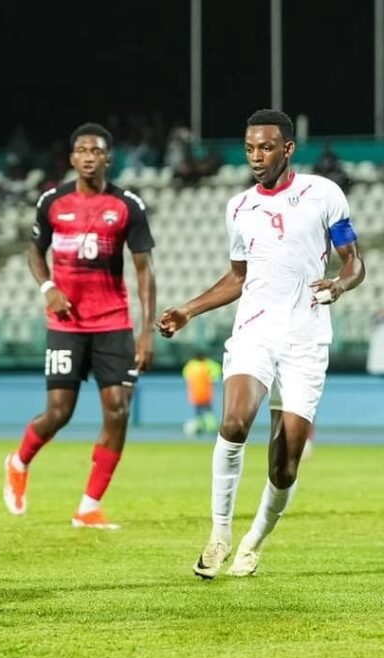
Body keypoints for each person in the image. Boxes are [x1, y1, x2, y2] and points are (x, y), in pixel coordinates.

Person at [158, 109, 365, 579]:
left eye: (266, 147)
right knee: (233, 421)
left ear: (287, 149)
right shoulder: (238, 207)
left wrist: (340, 285)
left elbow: (355, 263)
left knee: (284, 465)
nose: (256, 156)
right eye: (250, 148)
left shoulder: (323, 194)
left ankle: (253, 540)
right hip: (254, 329)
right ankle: (219, 535)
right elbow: (238, 278)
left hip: (306, 338)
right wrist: (188, 309)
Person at [2, 123, 157, 529]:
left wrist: (146, 330)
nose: (89, 156)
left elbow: (144, 270)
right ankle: (19, 462)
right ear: (72, 158)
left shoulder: (127, 205)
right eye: (82, 149)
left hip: (113, 323)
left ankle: (88, 506)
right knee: (59, 413)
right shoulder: (52, 202)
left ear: (108, 158)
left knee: (118, 410)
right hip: (66, 323)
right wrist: (48, 286)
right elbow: (34, 252)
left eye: (97, 150)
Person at [182, 352, 221, 437]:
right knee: (208, 412)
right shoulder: (208, 364)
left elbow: (186, 376)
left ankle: (200, 428)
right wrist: (213, 379)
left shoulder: (191, 365)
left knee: (198, 412)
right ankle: (211, 428)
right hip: (206, 393)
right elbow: (216, 373)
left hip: (195, 394)